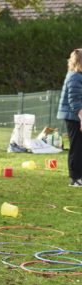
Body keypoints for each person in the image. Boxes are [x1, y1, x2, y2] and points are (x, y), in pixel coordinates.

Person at [57, 48, 82, 187]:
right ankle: (75, 178)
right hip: (74, 117)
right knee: (76, 147)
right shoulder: (74, 76)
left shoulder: (79, 75)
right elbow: (75, 101)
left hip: (78, 116)